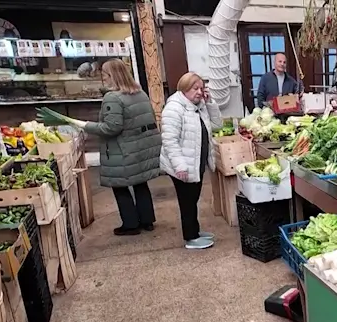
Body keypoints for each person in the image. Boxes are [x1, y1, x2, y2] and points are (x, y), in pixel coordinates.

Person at [68, 58, 161, 236]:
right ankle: (147, 221)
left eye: (104, 74)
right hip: (141, 148)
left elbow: (112, 127)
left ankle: (131, 224)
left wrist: (85, 125)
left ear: (112, 75)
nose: (103, 77)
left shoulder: (112, 97)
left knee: (120, 186)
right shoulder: (140, 93)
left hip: (122, 149)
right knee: (140, 183)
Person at [160, 72, 223, 250]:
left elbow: (217, 125)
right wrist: (179, 165)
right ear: (184, 89)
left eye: (201, 88)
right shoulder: (174, 108)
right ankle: (190, 237)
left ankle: (194, 231)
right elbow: (169, 140)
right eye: (195, 88)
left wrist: (210, 102)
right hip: (182, 165)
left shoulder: (200, 105)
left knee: (193, 198)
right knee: (187, 201)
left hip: (196, 162)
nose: (199, 92)